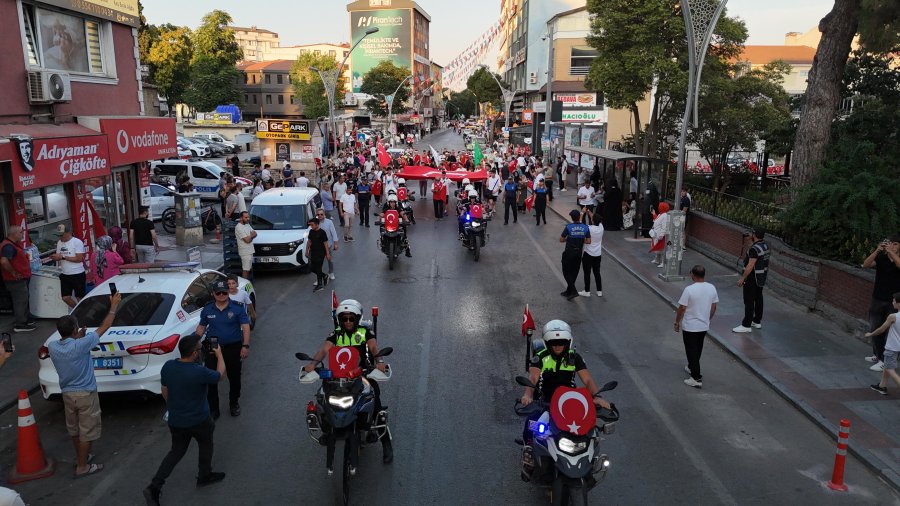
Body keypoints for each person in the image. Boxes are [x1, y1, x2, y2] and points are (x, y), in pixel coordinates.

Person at [303, 299, 393, 469]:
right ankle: (327, 429)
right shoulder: (335, 333)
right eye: (344, 319)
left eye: (352, 318)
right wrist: (313, 364)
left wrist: (379, 360)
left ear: (357, 318)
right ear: (340, 320)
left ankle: (386, 444)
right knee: (323, 397)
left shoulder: (366, 332)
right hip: (339, 375)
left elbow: (374, 348)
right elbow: (324, 350)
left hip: (363, 373)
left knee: (376, 406)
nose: (348, 322)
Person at [518, 320, 611, 478]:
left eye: (561, 342)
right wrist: (528, 395)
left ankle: (591, 459)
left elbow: (587, 380)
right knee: (532, 424)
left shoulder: (574, 358)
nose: (557, 346)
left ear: (568, 342)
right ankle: (529, 453)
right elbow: (533, 377)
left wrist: (597, 397)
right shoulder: (540, 357)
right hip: (546, 400)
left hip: (569, 402)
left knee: (590, 430)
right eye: (553, 343)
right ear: (547, 343)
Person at [143, 334, 227, 505]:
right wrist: (219, 355)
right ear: (195, 353)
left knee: (176, 452)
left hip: (176, 420)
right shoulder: (199, 372)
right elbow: (220, 375)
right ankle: (204, 475)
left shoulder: (168, 367)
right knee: (206, 444)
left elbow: (164, 390)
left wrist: (173, 407)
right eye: (199, 348)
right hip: (200, 420)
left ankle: (155, 486)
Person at [49, 292, 122, 478]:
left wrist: (78, 336)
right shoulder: (80, 345)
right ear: (75, 330)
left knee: (75, 430)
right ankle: (82, 466)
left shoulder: (53, 347)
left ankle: (82, 457)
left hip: (67, 394)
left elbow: (69, 344)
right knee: (87, 432)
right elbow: (106, 326)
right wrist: (114, 305)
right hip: (85, 394)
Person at [195, 281, 251, 418]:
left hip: (234, 348)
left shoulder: (237, 308)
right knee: (211, 379)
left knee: (234, 377)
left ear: (228, 292)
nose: (221, 295)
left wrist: (245, 346)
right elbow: (201, 328)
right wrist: (193, 343)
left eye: (224, 292)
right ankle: (214, 409)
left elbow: (246, 328)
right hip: (213, 348)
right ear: (213, 293)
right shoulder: (207, 309)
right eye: (218, 292)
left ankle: (234, 403)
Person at [674, 265, 719, 388]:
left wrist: (677, 322)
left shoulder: (689, 289)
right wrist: (707, 319)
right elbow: (714, 307)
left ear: (693, 275)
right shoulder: (712, 288)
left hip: (690, 326)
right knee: (698, 348)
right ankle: (691, 366)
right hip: (703, 325)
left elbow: (682, 308)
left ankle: (696, 377)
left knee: (691, 350)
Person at [862, 236, 900, 371]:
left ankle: (884, 360)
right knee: (874, 327)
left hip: (894, 302)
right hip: (877, 298)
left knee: (889, 330)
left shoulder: (897, 260)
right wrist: (877, 251)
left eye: (895, 244)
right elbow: (866, 265)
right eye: (890, 244)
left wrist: (890, 252)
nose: (892, 246)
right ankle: (877, 355)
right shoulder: (882, 258)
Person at [732, 229, 770, 333]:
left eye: (752, 234)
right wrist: (751, 240)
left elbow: (750, 265)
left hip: (752, 277)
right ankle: (756, 321)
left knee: (749, 301)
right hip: (761, 277)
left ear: (754, 235)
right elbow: (757, 253)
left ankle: (746, 325)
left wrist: (742, 278)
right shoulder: (765, 245)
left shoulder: (754, 249)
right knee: (758, 298)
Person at [0, 226, 35, 332]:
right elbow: (3, 261)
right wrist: (13, 273)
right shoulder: (8, 246)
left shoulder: (12, 244)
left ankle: (25, 319)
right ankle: (20, 324)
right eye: (21, 232)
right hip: (15, 281)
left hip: (21, 278)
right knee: (20, 301)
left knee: (23, 299)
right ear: (14, 234)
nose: (23, 234)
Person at [867, 292, 900, 395]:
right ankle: (882, 386)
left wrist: (870, 334)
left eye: (894, 300)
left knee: (890, 369)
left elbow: (881, 330)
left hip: (892, 347)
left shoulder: (893, 316)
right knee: (887, 365)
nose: (892, 302)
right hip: (898, 347)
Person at [51, 224, 86, 309]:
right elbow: (59, 256)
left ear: (69, 233)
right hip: (65, 274)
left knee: (79, 297)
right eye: (58, 235)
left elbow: (79, 258)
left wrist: (63, 257)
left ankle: (83, 312)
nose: (59, 237)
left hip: (77, 274)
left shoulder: (77, 242)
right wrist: (56, 259)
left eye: (61, 235)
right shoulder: (59, 242)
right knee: (65, 298)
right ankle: (77, 310)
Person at [560, 209, 591, 300]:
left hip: (569, 252)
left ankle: (573, 291)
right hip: (578, 253)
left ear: (572, 218)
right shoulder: (585, 227)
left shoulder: (569, 227)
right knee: (574, 272)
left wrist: (569, 239)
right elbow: (588, 241)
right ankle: (568, 291)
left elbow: (561, 239)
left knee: (566, 271)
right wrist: (581, 239)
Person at [579, 210, 604, 297]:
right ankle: (599, 291)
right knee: (597, 272)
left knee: (587, 273)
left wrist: (582, 213)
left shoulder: (589, 228)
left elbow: (580, 224)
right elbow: (594, 217)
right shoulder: (601, 227)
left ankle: (587, 291)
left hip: (588, 254)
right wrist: (589, 211)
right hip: (598, 254)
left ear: (592, 220)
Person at [305, 218, 331, 292]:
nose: (311, 226)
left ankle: (320, 285)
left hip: (321, 253)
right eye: (310, 225)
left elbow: (325, 243)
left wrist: (327, 254)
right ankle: (324, 276)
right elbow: (309, 242)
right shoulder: (311, 231)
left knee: (318, 267)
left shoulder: (322, 232)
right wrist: (307, 251)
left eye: (312, 225)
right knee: (311, 268)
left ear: (317, 224)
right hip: (313, 252)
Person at [315, 209, 338, 281]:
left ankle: (331, 272)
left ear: (324, 214)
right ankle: (319, 277)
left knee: (329, 260)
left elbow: (333, 232)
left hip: (328, 245)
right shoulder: (315, 223)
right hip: (319, 246)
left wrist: (335, 243)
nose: (320, 216)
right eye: (318, 215)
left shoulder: (329, 222)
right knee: (318, 262)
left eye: (321, 214)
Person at [234, 212, 256, 279]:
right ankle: (244, 285)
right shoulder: (238, 227)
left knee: (248, 269)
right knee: (245, 270)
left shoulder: (247, 225)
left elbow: (255, 233)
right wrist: (251, 236)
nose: (248, 219)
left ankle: (246, 284)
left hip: (250, 251)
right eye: (246, 217)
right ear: (241, 218)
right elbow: (247, 240)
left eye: (248, 217)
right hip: (245, 252)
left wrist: (250, 237)